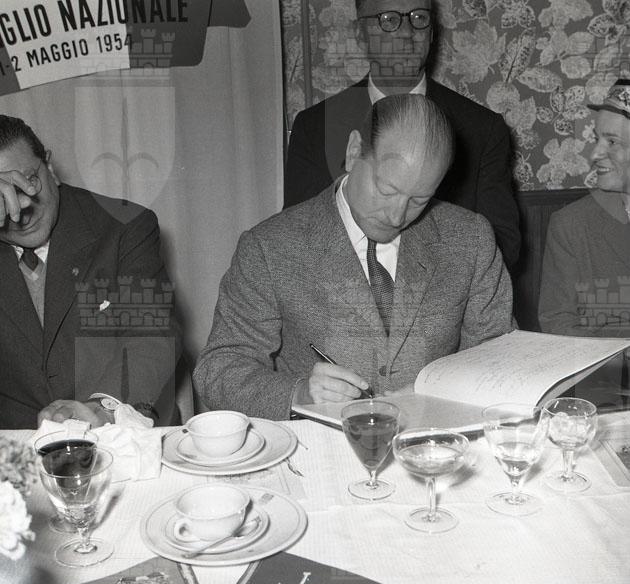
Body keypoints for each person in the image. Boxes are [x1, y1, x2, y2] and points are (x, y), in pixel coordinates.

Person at [194, 94, 513, 420]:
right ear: (353, 151)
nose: (396, 215)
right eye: (387, 190)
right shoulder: (269, 248)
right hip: (317, 446)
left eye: (419, 200)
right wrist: (298, 394)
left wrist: (439, 392)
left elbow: (499, 359)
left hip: (433, 442)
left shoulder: (470, 239)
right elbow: (218, 369)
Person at [284, 0, 521, 271]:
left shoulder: (480, 129)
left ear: (431, 32)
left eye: (419, 18)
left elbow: (502, 246)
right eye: (388, 19)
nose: (407, 32)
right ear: (360, 34)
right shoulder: (316, 127)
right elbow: (297, 236)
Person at [0, 115, 181, 428]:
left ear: (50, 168)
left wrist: (104, 407)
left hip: (119, 428)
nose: (20, 209)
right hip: (18, 444)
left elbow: (150, 336)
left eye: (28, 181)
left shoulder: (125, 227)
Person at [539, 79, 630, 337]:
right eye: (597, 139)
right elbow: (558, 324)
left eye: (612, 142)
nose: (595, 154)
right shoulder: (571, 225)